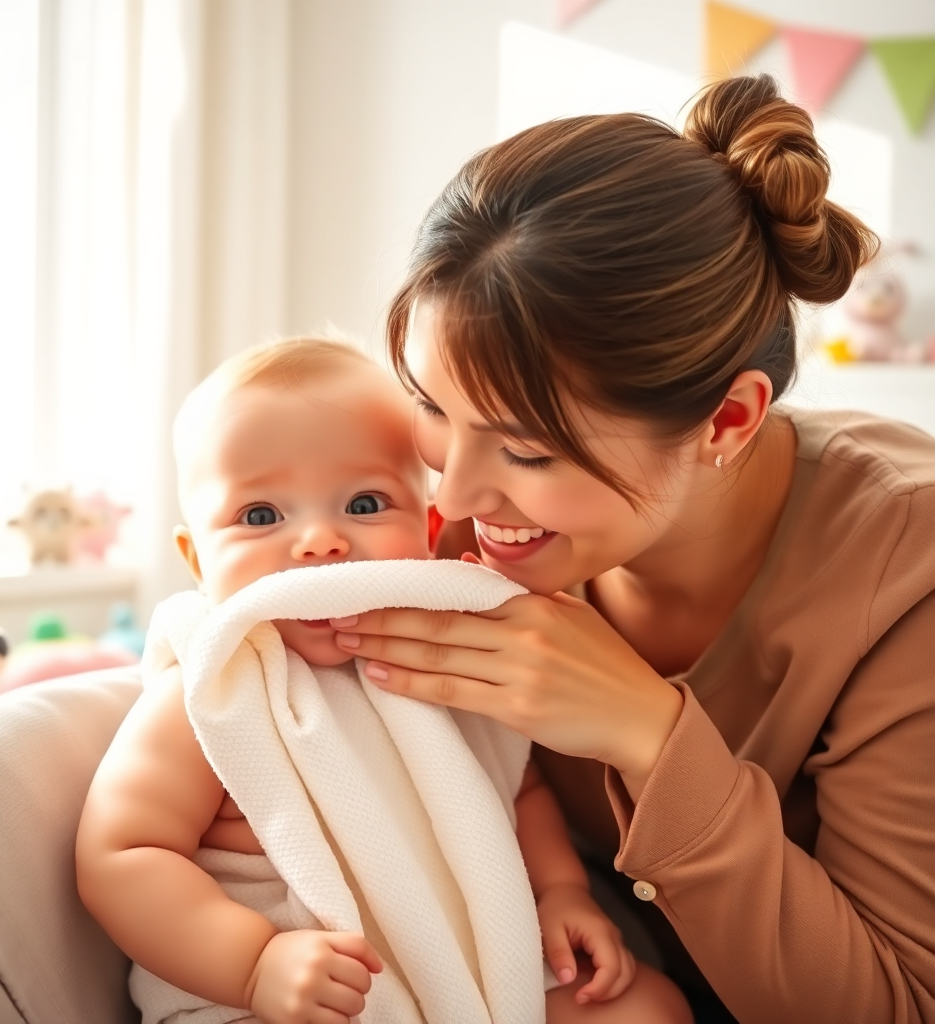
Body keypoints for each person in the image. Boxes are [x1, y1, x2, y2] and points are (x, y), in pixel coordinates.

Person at [326, 75, 935, 1024]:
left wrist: (652, 738)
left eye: (528, 450)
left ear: (727, 420)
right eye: (432, 409)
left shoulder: (907, 571)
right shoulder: (423, 514)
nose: (450, 495)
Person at [75, 338, 692, 1024]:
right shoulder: (218, 691)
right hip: (296, 994)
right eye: (260, 516)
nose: (320, 541)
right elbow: (125, 852)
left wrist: (560, 892)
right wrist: (253, 965)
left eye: (365, 504)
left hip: (475, 972)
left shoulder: (450, 648)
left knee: (646, 1007)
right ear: (197, 559)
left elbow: (518, 784)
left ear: (429, 530)